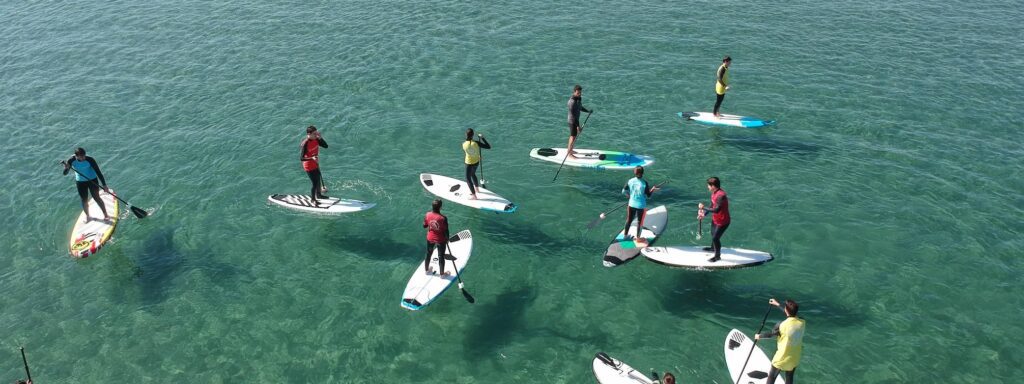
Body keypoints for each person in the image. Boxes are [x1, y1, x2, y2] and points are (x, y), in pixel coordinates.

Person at [755, 298, 806, 384]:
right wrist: (777, 304)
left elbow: (771, 335)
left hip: (781, 358)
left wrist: (759, 336)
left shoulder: (781, 325)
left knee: (772, 376)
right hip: (794, 358)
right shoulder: (802, 322)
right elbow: (791, 315)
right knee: (789, 377)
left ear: (786, 310)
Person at [61, 147, 110, 222]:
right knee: (84, 200)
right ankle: (88, 216)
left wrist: (104, 185)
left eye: (84, 156)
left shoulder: (90, 159)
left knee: (96, 197)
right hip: (80, 182)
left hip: (92, 181)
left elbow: (98, 172)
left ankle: (105, 214)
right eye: (81, 157)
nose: (84, 158)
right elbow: (65, 173)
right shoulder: (71, 160)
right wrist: (66, 168)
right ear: (76, 156)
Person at [621, 166, 660, 244]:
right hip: (641, 206)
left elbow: (623, 191)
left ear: (634, 173)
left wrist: (629, 196)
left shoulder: (630, 181)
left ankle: (625, 236)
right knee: (640, 222)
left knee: (629, 220)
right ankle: (638, 238)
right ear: (642, 173)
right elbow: (648, 195)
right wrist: (653, 189)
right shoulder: (644, 183)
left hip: (631, 204)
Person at [698, 176, 730, 262]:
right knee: (713, 234)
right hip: (716, 219)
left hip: (723, 221)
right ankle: (713, 248)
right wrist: (704, 214)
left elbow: (716, 210)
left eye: (708, 185)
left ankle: (717, 256)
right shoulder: (714, 193)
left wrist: (703, 207)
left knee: (715, 238)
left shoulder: (721, 196)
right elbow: (712, 205)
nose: (707, 187)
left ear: (713, 186)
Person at [299, 125, 329, 205]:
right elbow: (301, 158)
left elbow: (326, 146)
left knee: (318, 179)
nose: (316, 135)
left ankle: (319, 195)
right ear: (309, 134)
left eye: (317, 133)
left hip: (315, 163)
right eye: (314, 134)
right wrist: (311, 158)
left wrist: (320, 138)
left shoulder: (316, 139)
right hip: (308, 165)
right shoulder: (305, 143)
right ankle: (313, 199)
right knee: (315, 183)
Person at [423, 199, 450, 276]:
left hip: (430, 238)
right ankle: (442, 274)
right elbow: (446, 231)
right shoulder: (443, 218)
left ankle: (427, 270)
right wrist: (447, 239)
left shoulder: (427, 214)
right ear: (440, 207)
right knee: (441, 256)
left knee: (428, 253)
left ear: (432, 206)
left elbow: (424, 226)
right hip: (440, 240)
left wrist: (431, 224)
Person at [462, 128, 491, 200]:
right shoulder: (476, 143)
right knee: (473, 174)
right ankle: (477, 189)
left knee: (468, 179)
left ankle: (474, 196)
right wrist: (482, 138)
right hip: (476, 162)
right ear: (473, 135)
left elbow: (469, 150)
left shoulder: (463, 144)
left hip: (468, 163)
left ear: (466, 135)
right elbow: (488, 147)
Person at [566, 84, 593, 159]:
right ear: (574, 92)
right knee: (572, 136)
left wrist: (587, 111)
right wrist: (578, 127)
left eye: (580, 93)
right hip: (572, 121)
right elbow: (573, 116)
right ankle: (569, 153)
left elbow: (580, 107)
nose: (580, 94)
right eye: (578, 93)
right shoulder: (571, 102)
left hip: (576, 120)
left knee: (574, 136)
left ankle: (570, 150)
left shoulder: (579, 98)